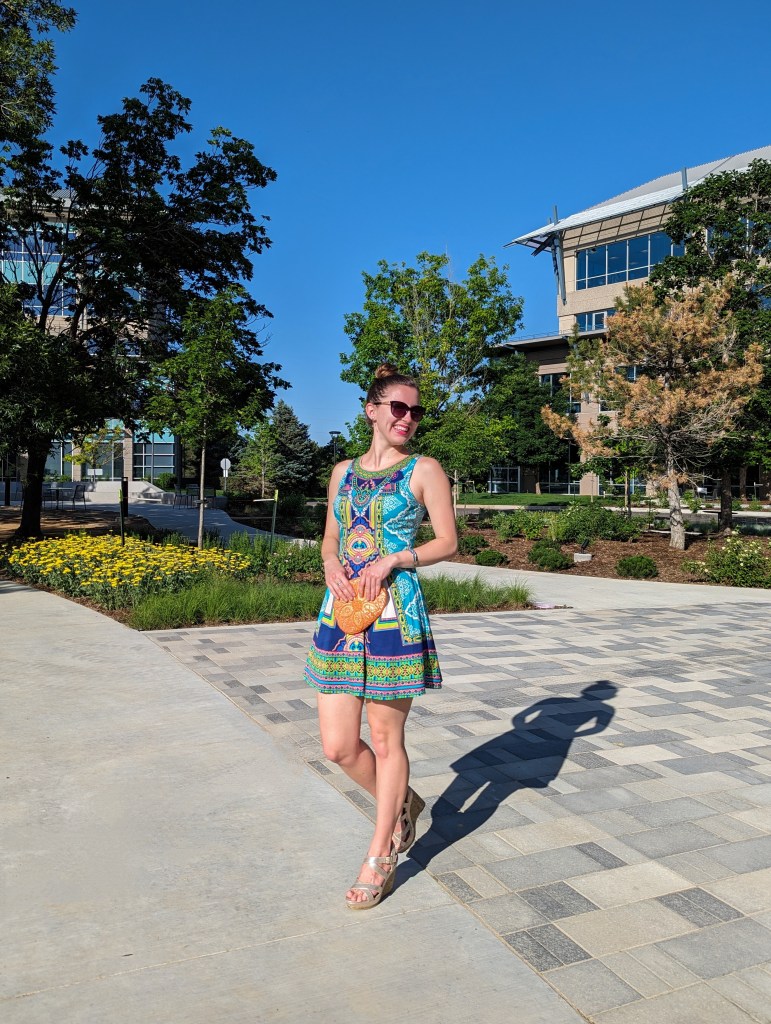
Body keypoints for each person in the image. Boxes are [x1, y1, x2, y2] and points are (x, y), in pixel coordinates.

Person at [304, 363, 458, 909]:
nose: (408, 418)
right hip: (341, 611)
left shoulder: (424, 469)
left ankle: (381, 851)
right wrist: (328, 565)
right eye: (398, 407)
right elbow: (330, 537)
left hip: (396, 612)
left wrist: (396, 557)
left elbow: (447, 542)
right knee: (338, 746)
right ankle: (403, 805)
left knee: (387, 740)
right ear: (371, 410)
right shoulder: (342, 472)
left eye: (416, 411)